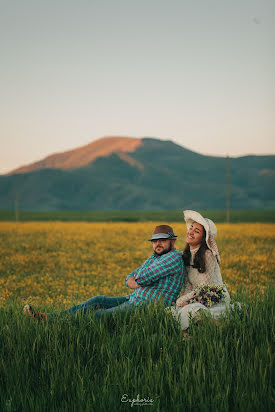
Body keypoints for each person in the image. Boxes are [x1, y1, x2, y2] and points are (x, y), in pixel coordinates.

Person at [24, 225, 184, 322]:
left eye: (162, 240)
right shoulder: (155, 257)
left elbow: (141, 276)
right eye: (155, 241)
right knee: (97, 300)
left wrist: (137, 280)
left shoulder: (173, 258)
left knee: (99, 315)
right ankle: (49, 318)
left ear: (172, 241)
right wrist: (136, 280)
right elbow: (130, 276)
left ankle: (54, 323)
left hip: (146, 306)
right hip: (134, 298)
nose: (157, 244)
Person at [170, 210, 230, 337]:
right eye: (191, 228)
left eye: (196, 231)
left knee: (189, 311)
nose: (190, 232)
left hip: (213, 297)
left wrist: (183, 300)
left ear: (204, 239)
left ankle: (191, 337)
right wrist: (182, 301)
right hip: (196, 297)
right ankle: (188, 337)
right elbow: (188, 285)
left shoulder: (208, 255)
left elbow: (205, 287)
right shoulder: (185, 255)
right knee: (172, 311)